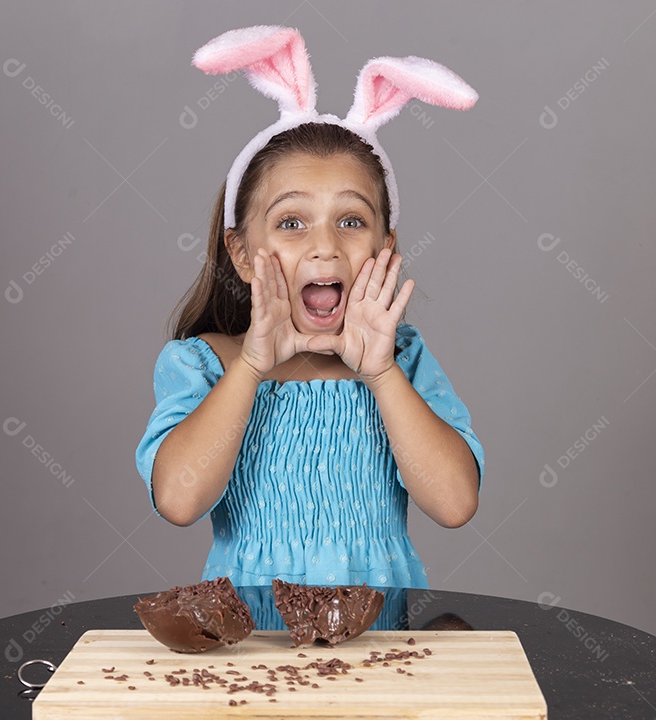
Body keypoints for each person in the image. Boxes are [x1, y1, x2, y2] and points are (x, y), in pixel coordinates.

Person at [135, 26, 484, 602]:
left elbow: (454, 504)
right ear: (242, 253)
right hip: (250, 660)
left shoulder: (402, 361)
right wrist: (250, 365)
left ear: (385, 248)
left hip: (382, 652)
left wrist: (382, 373)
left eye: (351, 222)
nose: (325, 248)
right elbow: (178, 500)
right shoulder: (202, 365)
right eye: (292, 223)